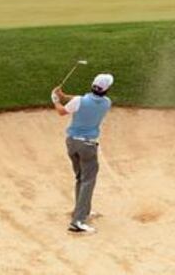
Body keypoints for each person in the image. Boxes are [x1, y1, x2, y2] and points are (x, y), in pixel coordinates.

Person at [51, 73, 114, 234]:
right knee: (88, 181)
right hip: (88, 146)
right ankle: (77, 222)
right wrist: (64, 96)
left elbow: (62, 111)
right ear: (106, 89)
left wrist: (57, 100)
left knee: (80, 178)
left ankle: (81, 211)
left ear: (92, 84)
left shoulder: (79, 101)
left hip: (72, 143)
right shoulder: (106, 103)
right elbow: (82, 100)